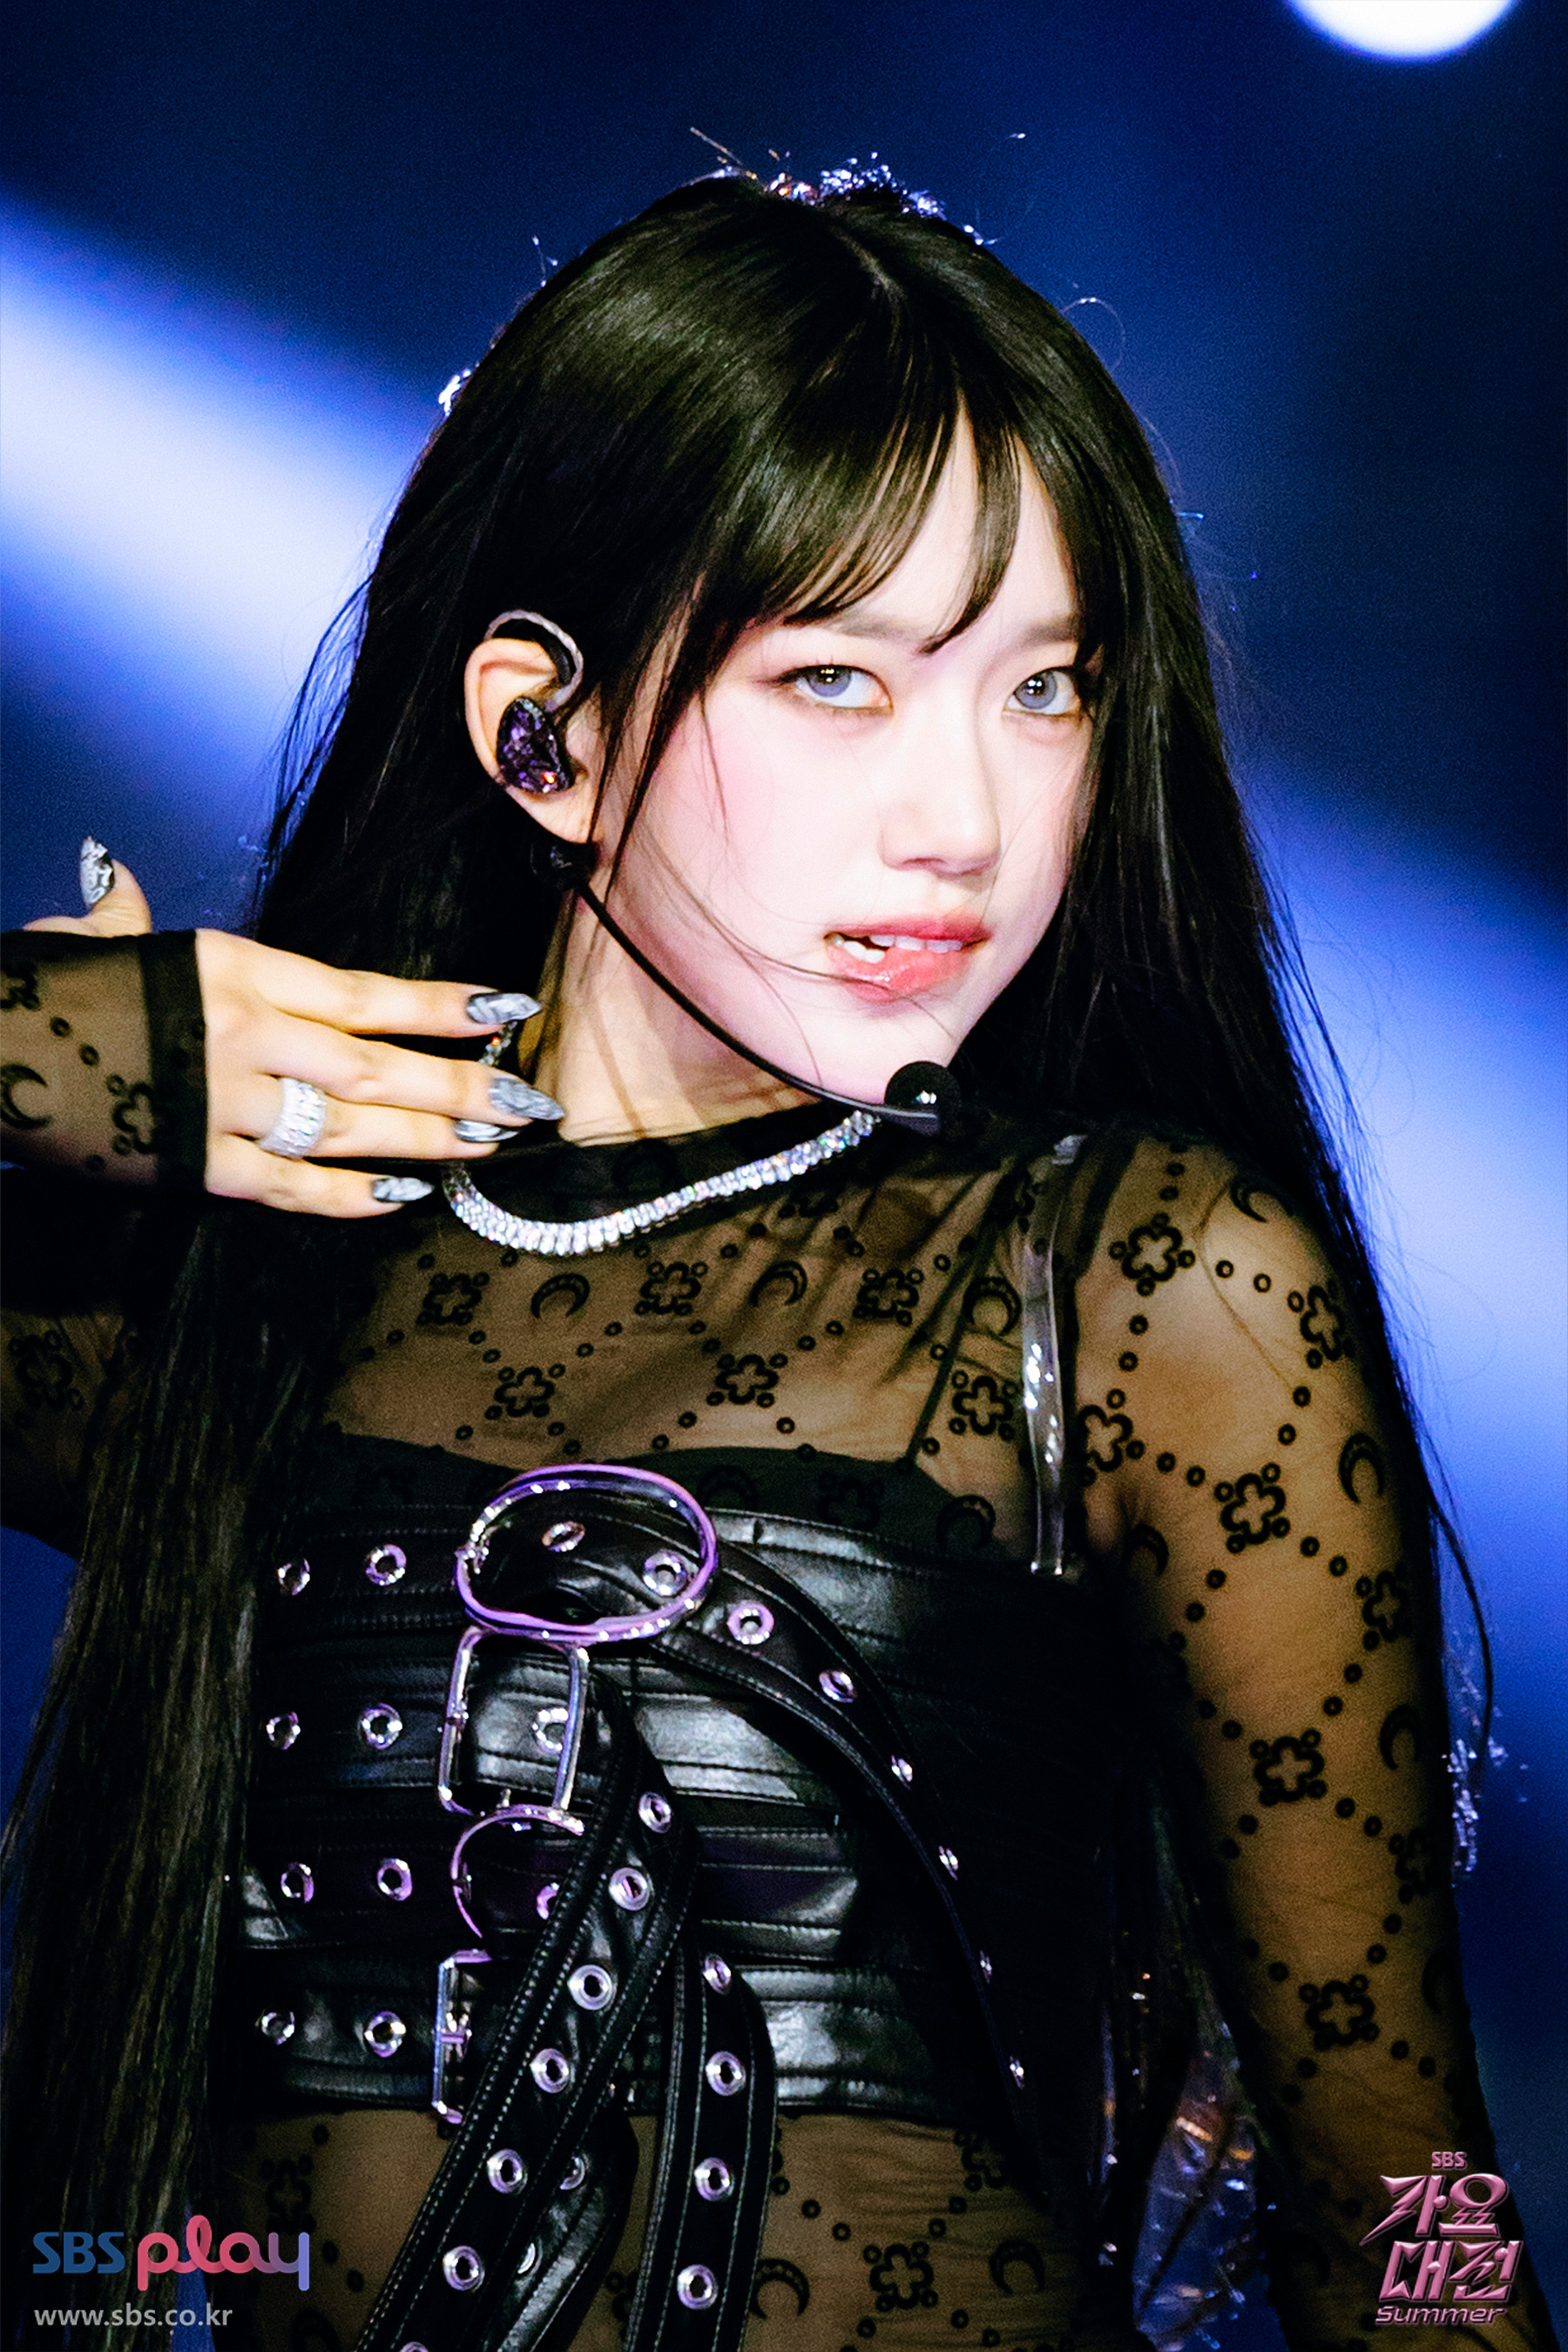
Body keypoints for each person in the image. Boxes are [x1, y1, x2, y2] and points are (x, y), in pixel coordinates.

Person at [1, 167, 1556, 2352]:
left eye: (1045, 690)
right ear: (544, 736)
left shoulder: (1144, 1287)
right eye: (840, 680)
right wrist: (23, 1047)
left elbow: (1407, 2205)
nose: (969, 822)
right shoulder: (241, 1292)